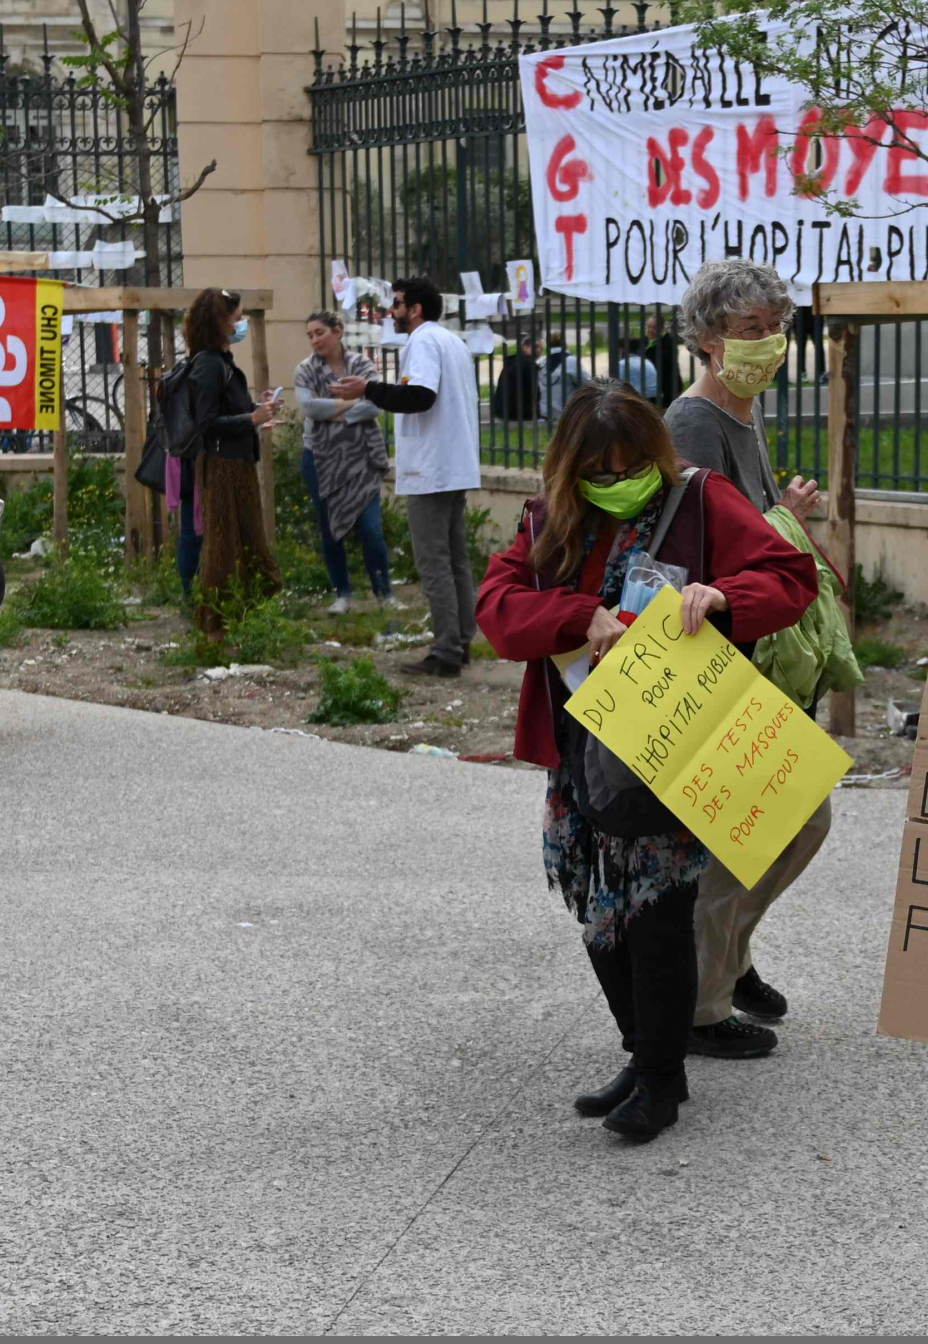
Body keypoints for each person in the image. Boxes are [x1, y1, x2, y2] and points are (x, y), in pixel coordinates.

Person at [475, 383, 817, 1143]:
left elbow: (792, 578)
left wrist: (721, 596)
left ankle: (663, 1077)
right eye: (600, 471)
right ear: (571, 471)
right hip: (583, 753)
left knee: (658, 914)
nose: (618, 481)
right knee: (601, 915)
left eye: (632, 466)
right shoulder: (548, 521)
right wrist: (574, 614)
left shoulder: (700, 500)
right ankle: (643, 1057)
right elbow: (497, 608)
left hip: (677, 745)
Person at [665, 259, 830, 1061]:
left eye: (775, 327)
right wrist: (776, 525)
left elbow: (747, 523)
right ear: (706, 339)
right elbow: (696, 540)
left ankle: (727, 963)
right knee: (768, 825)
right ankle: (699, 1002)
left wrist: (783, 517)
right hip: (716, 651)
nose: (768, 343)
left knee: (783, 820)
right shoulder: (694, 423)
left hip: (753, 647)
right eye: (749, 331)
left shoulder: (743, 413)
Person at [334, 280, 482, 678]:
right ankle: (461, 640)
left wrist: (369, 389)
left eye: (396, 305)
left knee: (434, 561)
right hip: (453, 464)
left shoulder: (422, 342)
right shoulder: (452, 342)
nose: (391, 312)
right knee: (456, 560)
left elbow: (420, 396)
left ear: (414, 309)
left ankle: (446, 650)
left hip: (432, 469)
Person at [155, 288, 282, 628]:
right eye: (238, 319)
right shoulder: (209, 365)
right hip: (222, 465)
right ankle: (214, 620)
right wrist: (251, 419)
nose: (241, 325)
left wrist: (257, 411)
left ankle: (247, 613)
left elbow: (226, 413)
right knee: (222, 545)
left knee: (245, 538)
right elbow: (207, 424)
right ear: (221, 322)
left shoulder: (220, 362)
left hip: (236, 461)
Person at [293, 310, 392, 614]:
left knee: (371, 529)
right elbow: (309, 406)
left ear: (338, 331)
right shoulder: (306, 369)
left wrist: (336, 412)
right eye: (310, 335)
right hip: (320, 459)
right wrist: (353, 404)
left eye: (319, 332)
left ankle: (384, 593)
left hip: (361, 457)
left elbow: (376, 404)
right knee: (330, 528)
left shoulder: (361, 364)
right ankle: (343, 594)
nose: (314, 340)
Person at [493, 334, 543, 422]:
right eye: (535, 347)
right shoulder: (528, 364)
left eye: (541, 349)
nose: (538, 351)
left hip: (501, 413)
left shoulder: (511, 362)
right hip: (517, 415)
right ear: (524, 347)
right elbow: (534, 393)